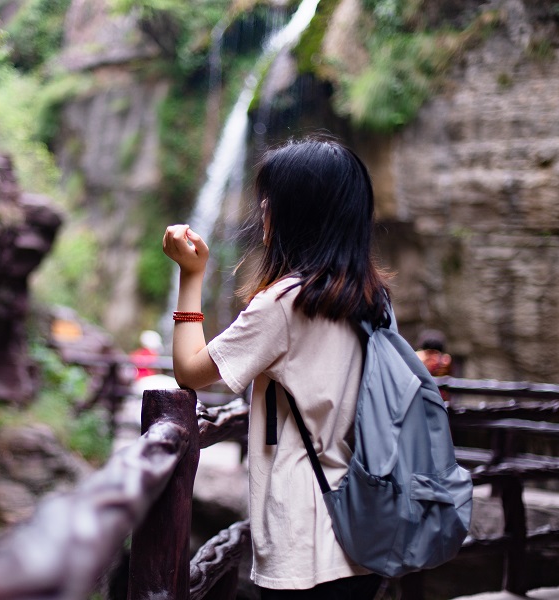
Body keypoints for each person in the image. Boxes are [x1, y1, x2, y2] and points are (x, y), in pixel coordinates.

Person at [162, 135, 388, 599]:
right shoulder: (374, 301)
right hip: (364, 528)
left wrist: (191, 274)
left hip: (304, 541)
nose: (262, 208)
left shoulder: (286, 303)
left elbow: (189, 370)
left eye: (271, 199)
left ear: (295, 214)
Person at [415, 329, 453, 402]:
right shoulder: (414, 363)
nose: (431, 358)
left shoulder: (443, 367)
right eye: (428, 353)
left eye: (435, 353)